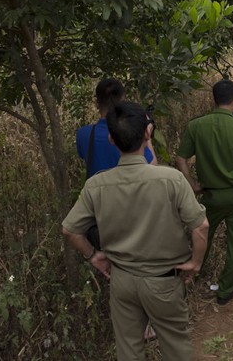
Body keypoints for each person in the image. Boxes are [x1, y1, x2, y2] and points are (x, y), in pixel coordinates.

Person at [63, 101, 209, 360]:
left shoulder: (97, 185)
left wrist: (93, 256)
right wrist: (195, 263)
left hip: (122, 281)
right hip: (163, 281)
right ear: (147, 133)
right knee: (176, 346)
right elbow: (200, 227)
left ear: (111, 139)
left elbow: (70, 230)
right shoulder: (171, 179)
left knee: (129, 349)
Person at [176, 79, 233, 306]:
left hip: (209, 195)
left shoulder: (196, 126)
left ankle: (188, 280)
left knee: (201, 237)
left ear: (213, 99)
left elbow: (181, 158)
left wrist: (192, 184)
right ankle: (226, 290)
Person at [75, 78, 157, 180]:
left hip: (99, 193)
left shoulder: (83, 134)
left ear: (97, 103)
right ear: (123, 100)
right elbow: (152, 165)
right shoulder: (130, 129)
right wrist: (146, 133)